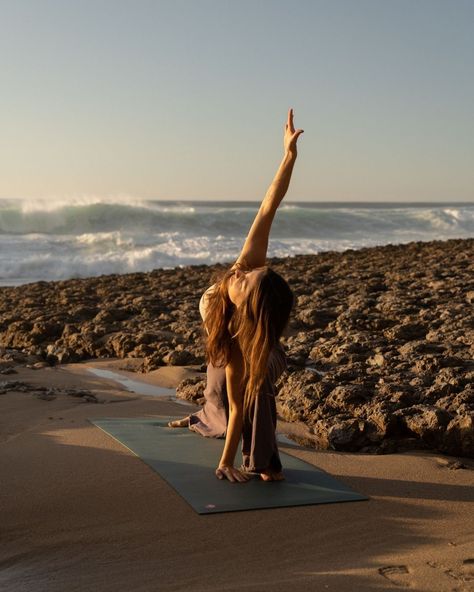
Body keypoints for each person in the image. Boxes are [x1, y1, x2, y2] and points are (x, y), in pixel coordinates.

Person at [167, 108, 304, 484]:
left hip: (262, 348)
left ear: (246, 305)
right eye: (254, 270)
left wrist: (224, 463)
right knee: (220, 399)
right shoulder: (245, 265)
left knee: (254, 388)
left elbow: (239, 401)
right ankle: (207, 419)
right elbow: (268, 206)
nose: (243, 272)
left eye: (247, 280)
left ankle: (264, 461)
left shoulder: (239, 338)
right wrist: (288, 156)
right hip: (239, 339)